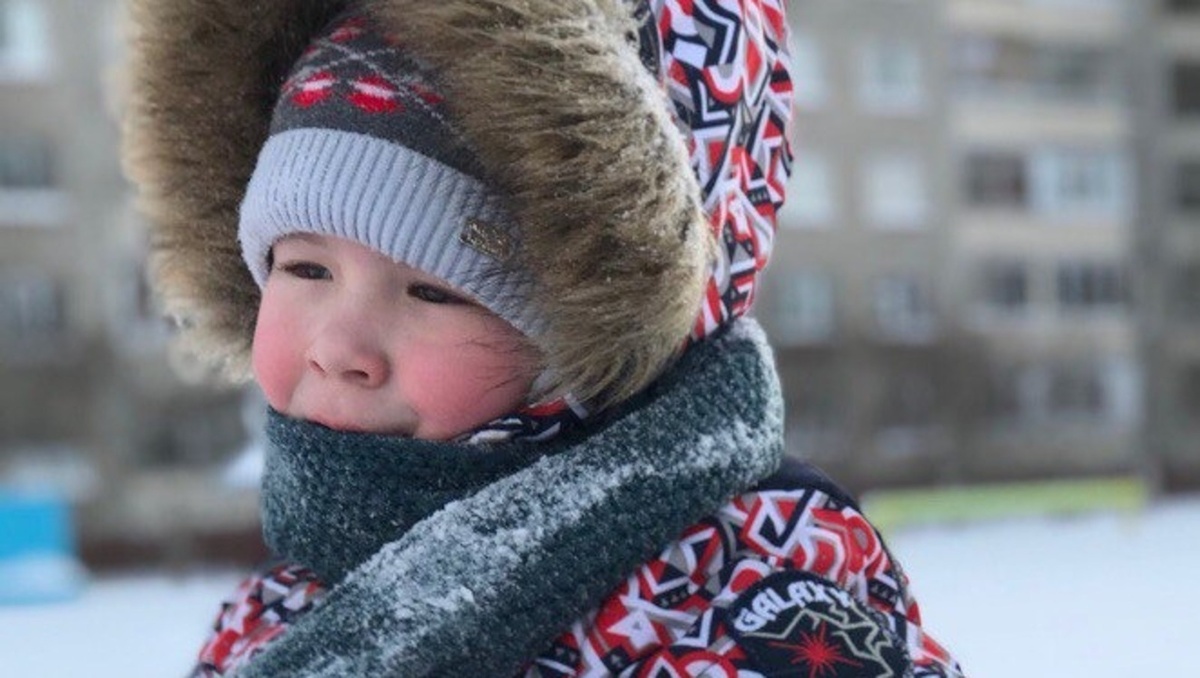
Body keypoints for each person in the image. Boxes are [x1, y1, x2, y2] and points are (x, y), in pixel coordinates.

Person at [122, 0, 964, 675]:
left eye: (434, 291)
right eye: (306, 269)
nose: (339, 348)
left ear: (586, 335)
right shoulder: (274, 611)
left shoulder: (746, 610)